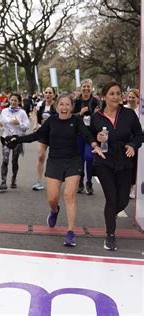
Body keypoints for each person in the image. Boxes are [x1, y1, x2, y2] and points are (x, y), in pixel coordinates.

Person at [3, 93, 104, 247]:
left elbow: (87, 135)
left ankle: (70, 232)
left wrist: (95, 145)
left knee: (69, 195)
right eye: (61, 104)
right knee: (52, 198)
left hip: (73, 161)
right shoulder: (51, 121)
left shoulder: (76, 121)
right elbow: (37, 135)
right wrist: (18, 138)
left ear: (71, 107)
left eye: (67, 104)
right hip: (55, 161)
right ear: (57, 107)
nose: (64, 107)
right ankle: (55, 210)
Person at [90, 82, 143, 251]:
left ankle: (109, 215)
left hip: (124, 160)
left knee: (123, 200)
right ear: (104, 96)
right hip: (104, 161)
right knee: (111, 198)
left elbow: (140, 135)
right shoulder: (96, 116)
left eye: (118, 93)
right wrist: (96, 140)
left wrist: (133, 145)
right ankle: (110, 235)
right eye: (111, 94)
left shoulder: (128, 114)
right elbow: (90, 136)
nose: (115, 97)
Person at [0, 92, 30, 190]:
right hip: (6, 138)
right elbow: (2, 121)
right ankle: (3, 182)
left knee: (14, 160)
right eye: (11, 100)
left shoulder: (22, 113)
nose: (13, 102)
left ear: (19, 101)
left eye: (15, 100)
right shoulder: (4, 111)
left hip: (17, 139)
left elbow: (27, 126)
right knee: (5, 159)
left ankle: (13, 180)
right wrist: (9, 121)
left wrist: (19, 123)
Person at [73, 79, 100, 195]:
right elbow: (69, 115)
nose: (86, 89)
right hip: (78, 134)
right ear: (81, 88)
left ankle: (89, 182)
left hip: (91, 135)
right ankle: (80, 183)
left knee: (88, 157)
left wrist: (96, 114)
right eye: (84, 86)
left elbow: (101, 116)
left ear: (91, 88)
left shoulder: (96, 101)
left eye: (88, 87)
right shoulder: (76, 101)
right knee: (80, 159)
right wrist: (80, 113)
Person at [31, 86, 57, 191]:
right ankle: (39, 181)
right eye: (46, 92)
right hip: (43, 133)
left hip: (55, 135)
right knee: (41, 156)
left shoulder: (57, 106)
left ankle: (55, 179)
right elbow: (35, 114)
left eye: (50, 93)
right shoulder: (40, 105)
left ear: (54, 95)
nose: (48, 94)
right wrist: (35, 124)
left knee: (55, 158)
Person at [124, 88, 140, 199]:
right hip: (124, 141)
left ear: (138, 99)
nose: (130, 99)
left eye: (133, 97)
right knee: (125, 166)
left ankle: (133, 187)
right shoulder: (123, 109)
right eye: (129, 97)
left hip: (136, 142)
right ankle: (126, 186)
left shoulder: (140, 111)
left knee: (134, 166)